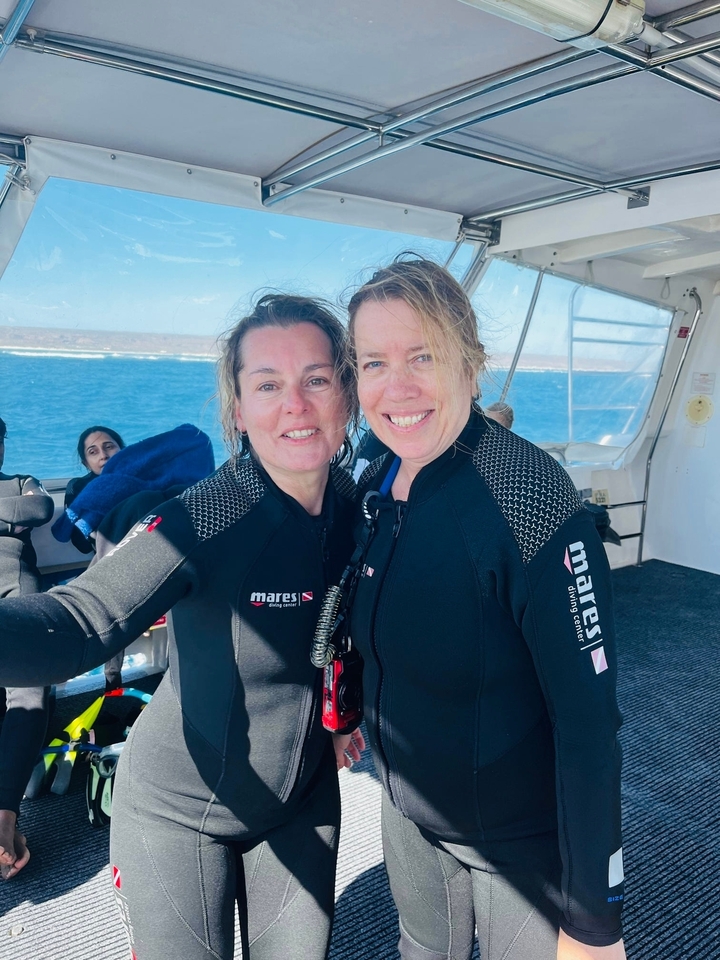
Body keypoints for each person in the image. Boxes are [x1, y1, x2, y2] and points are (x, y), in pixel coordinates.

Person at [0, 294, 364, 959]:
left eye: (317, 378)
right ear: (238, 411)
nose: (296, 403)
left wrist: (348, 716)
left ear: (348, 392)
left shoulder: (358, 510)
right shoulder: (206, 513)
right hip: (177, 813)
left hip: (301, 797)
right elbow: (79, 618)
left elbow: (352, 623)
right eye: (268, 384)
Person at [346, 257, 625, 960]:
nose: (397, 387)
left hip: (515, 841)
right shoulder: (377, 473)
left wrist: (594, 922)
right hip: (407, 814)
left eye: (424, 356)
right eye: (373, 363)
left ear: (470, 364)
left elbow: (590, 725)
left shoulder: (530, 497)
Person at [0, 417, 54, 879]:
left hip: (15, 585)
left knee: (29, 691)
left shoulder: (21, 482)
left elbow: (38, 510)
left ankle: (4, 817)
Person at [63, 426, 125, 554]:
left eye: (109, 447)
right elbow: (82, 545)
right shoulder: (78, 487)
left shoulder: (145, 478)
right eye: (93, 452)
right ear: (86, 463)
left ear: (123, 450)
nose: (104, 455)